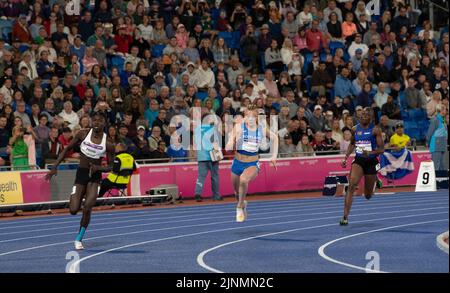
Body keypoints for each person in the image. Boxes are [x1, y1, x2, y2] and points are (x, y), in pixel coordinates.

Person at [45, 112, 115, 250]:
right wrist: (54, 166)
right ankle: (79, 197)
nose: (96, 123)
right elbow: (67, 149)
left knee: (88, 207)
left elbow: (112, 166)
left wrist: (98, 168)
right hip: (81, 175)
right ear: (91, 121)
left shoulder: (108, 143)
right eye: (94, 120)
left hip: (94, 177)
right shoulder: (82, 134)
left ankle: (79, 238)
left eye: (100, 121)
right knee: (73, 210)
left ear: (104, 124)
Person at [226, 105, 279, 222]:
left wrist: (274, 156)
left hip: (252, 163)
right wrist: (231, 143)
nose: (250, 118)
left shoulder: (261, 129)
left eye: (253, 116)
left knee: (244, 180)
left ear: (256, 117)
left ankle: (239, 207)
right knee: (236, 193)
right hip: (237, 163)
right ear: (245, 116)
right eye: (248, 116)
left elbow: (275, 138)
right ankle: (242, 203)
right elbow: (228, 146)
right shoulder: (239, 127)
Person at [340, 108, 384, 225]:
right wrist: (346, 157)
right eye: (362, 114)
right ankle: (345, 216)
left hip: (371, 162)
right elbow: (352, 144)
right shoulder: (355, 129)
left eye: (366, 114)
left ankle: (375, 178)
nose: (364, 116)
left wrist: (371, 153)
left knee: (368, 195)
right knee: (351, 185)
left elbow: (382, 149)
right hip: (359, 160)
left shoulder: (375, 130)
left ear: (370, 117)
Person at [194, 110, 222, 202]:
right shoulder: (212, 129)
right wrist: (218, 155)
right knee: (215, 176)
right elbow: (215, 143)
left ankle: (198, 193)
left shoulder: (197, 129)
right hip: (212, 156)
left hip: (202, 156)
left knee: (201, 176)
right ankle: (216, 196)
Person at [426, 105, 448, 171]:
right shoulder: (435, 120)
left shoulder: (443, 121)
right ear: (440, 111)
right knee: (436, 166)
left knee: (443, 166)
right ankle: (435, 181)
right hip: (436, 146)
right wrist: (428, 143)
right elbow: (429, 134)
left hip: (443, 146)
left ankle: (442, 181)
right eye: (444, 109)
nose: (445, 111)